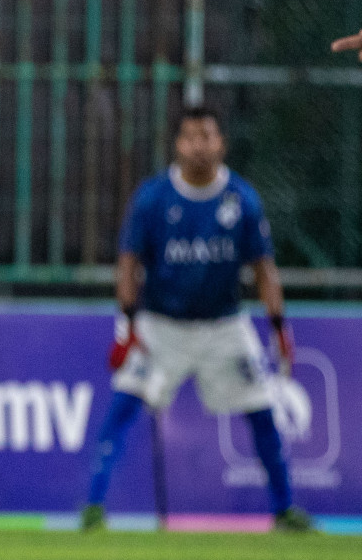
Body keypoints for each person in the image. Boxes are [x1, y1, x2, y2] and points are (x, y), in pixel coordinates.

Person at [82, 106, 311, 533]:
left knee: (262, 413)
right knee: (121, 408)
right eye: (190, 137)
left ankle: (284, 510)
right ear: (178, 144)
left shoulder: (241, 199)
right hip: (161, 326)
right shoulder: (153, 198)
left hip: (224, 326)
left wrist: (280, 327)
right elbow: (128, 263)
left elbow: (264, 269)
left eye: (207, 136)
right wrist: (125, 326)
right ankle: (93, 508)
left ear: (221, 142)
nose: (198, 146)